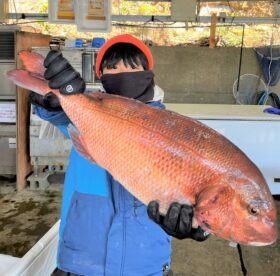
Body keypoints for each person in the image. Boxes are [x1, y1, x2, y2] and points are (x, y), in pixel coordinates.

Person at [30, 34, 208, 276]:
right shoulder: (86, 112)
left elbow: (203, 184)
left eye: (133, 66)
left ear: (148, 72)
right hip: (82, 263)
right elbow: (55, 114)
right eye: (112, 67)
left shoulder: (171, 129)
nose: (123, 72)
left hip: (148, 265)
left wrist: (201, 224)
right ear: (101, 76)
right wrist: (51, 98)